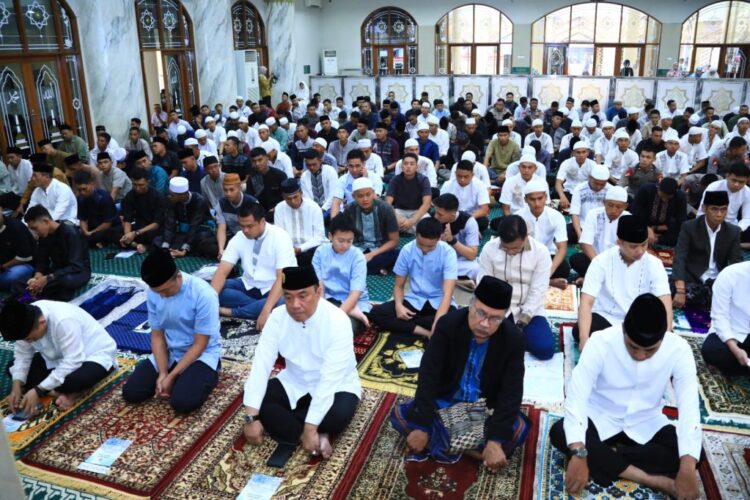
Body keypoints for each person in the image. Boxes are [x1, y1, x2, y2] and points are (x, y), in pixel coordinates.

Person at [551, 294, 702, 499]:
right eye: (633, 347)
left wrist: (687, 467)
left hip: (646, 421)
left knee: (692, 453)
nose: (640, 356)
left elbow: (690, 408)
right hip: (600, 415)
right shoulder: (601, 342)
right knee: (560, 431)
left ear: (663, 338)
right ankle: (649, 478)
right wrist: (578, 451)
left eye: (649, 351)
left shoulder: (679, 350)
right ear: (623, 329)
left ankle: (605, 458)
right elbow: (576, 398)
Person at [390, 276, 530, 467]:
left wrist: (495, 439)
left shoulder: (513, 339)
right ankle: (471, 449)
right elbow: (428, 376)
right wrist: (422, 425)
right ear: (471, 305)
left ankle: (445, 441)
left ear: (504, 316)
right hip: (444, 404)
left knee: (516, 431)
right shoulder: (448, 325)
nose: (485, 324)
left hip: (483, 410)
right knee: (399, 414)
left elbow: (511, 391)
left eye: (495, 318)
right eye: (480, 313)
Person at [241, 265, 360, 462]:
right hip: (294, 381)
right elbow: (261, 365)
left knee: (338, 416)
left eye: (303, 296)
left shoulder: (338, 321)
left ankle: (301, 428)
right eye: (288, 297)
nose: (295, 304)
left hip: (337, 386)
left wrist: (311, 426)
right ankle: (313, 435)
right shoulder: (278, 318)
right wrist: (251, 418)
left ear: (318, 292)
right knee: (253, 400)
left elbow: (330, 379)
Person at [122, 250, 222, 413]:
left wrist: (171, 376)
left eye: (166, 291)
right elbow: (157, 335)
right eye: (158, 291)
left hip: (201, 355)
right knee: (132, 393)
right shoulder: (155, 293)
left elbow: (200, 344)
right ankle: (179, 377)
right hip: (171, 352)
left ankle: (204, 375)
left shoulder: (203, 294)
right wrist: (162, 373)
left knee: (182, 403)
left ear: (178, 277)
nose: (162, 295)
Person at [1, 298, 117, 416]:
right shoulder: (25, 319)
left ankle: (67, 391)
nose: (29, 342)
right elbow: (23, 355)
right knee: (12, 368)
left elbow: (73, 361)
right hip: (55, 358)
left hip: (91, 355)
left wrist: (38, 390)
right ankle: (62, 393)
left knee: (75, 381)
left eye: (31, 338)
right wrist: (16, 386)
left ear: (42, 322)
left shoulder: (64, 320)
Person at [574, 215, 671, 348]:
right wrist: (583, 339)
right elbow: (587, 301)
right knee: (580, 330)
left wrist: (667, 337)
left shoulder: (655, 264)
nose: (640, 251)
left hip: (638, 319)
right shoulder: (601, 261)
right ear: (619, 242)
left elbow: (665, 300)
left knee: (657, 333)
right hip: (606, 317)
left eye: (644, 245)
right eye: (634, 246)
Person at [477, 216, 555, 360]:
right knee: (481, 342)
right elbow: (484, 284)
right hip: (497, 309)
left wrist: (523, 321)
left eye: (515, 248)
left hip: (529, 311)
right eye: (506, 248)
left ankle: (508, 339)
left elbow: (538, 290)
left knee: (545, 350)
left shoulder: (541, 252)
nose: (511, 252)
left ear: (526, 236)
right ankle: (508, 339)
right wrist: (493, 315)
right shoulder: (489, 248)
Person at [369, 218, 456, 338]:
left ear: (439, 238)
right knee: (377, 314)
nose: (425, 249)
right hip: (415, 299)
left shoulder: (448, 253)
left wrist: (437, 323)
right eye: (420, 245)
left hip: (439, 302)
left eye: (430, 247)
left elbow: (447, 294)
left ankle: (411, 325)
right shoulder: (407, 250)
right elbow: (398, 286)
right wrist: (399, 306)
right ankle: (425, 332)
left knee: (453, 321)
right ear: (415, 234)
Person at [211, 203, 296, 326]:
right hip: (247, 285)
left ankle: (232, 312)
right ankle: (256, 307)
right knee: (213, 290)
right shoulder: (239, 237)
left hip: (274, 288)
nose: (245, 230)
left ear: (262, 221)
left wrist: (266, 310)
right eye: (242, 226)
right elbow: (222, 272)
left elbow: (281, 279)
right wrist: (210, 303)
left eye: (250, 226)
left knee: (284, 301)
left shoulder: (280, 237)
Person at [672, 190, 741, 310]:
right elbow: (679, 257)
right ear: (704, 209)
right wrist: (680, 290)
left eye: (723, 209)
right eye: (714, 209)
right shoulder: (690, 227)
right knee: (672, 291)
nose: (719, 214)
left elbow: (736, 263)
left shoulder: (733, 231)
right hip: (692, 277)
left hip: (717, 280)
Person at [312, 214, 371, 330]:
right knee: (311, 323)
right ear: (330, 236)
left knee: (343, 329)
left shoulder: (357, 256)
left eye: (350, 241)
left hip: (353, 302)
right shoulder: (321, 252)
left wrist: (337, 316)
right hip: (328, 300)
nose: (345, 245)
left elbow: (355, 293)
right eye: (341, 241)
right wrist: (322, 310)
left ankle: (354, 313)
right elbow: (319, 286)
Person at [21, 205, 90, 301]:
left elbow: (76, 266)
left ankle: (37, 296)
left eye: (35, 228)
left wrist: (48, 278)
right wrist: (38, 275)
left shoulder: (71, 233)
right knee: (21, 282)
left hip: (77, 272)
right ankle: (39, 295)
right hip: (56, 271)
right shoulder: (44, 236)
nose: (35, 232)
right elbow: (42, 260)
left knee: (66, 282)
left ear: (45, 221)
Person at [518, 178, 570, 289]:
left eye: (540, 198)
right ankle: (550, 282)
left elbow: (562, 248)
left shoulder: (556, 217)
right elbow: (521, 246)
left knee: (563, 268)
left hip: (547, 254)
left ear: (546, 197)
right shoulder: (519, 217)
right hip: (525, 255)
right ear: (525, 200)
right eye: (532, 199)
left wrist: (548, 273)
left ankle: (539, 280)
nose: (537, 203)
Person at [569, 186, 629, 280]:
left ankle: (594, 278)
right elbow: (586, 243)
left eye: (618, 207)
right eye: (610, 205)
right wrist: (598, 264)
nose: (613, 210)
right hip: (595, 258)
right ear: (604, 202)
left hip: (618, 262)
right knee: (576, 259)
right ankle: (605, 278)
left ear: (625, 206)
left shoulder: (629, 219)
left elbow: (629, 249)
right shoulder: (594, 214)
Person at [701, 262, 750, 376]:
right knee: (712, 351)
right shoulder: (730, 274)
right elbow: (720, 316)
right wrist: (735, 349)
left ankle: (739, 368)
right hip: (731, 332)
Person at [344, 177, 400, 275]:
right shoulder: (349, 209)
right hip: (358, 249)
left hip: (379, 250)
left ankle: (360, 268)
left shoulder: (386, 209)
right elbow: (345, 236)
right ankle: (378, 269)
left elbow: (394, 241)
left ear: (373, 193)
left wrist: (372, 254)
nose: (365, 199)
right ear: (353, 196)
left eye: (368, 195)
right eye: (360, 196)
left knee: (398, 254)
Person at [274, 178, 326, 266]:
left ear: (301, 193)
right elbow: (279, 235)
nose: (293, 201)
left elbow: (319, 237)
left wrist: (300, 248)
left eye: (295, 197)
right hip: (288, 249)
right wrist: (290, 250)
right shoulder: (279, 208)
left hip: (310, 247)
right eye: (289, 199)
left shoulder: (313, 207)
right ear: (283, 197)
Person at [697, 163, 750, 248]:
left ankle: (736, 244)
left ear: (747, 180)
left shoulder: (747, 192)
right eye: (734, 180)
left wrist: (737, 230)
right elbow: (702, 212)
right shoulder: (714, 187)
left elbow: (747, 218)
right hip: (711, 224)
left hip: (732, 227)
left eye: (741, 182)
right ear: (727, 176)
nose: (737, 184)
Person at [431, 193, 480, 281]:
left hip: (460, 260)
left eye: (440, 214)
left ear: (452, 215)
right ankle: (457, 281)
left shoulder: (469, 222)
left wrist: (452, 240)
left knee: (476, 269)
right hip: (439, 260)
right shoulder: (433, 218)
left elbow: (472, 255)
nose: (436, 216)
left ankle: (444, 277)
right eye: (436, 212)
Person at [119, 169, 166, 254]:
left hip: (152, 229)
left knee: (158, 238)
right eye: (135, 184)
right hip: (138, 227)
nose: (137, 188)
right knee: (115, 231)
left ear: (148, 182)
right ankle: (136, 245)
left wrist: (135, 233)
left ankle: (143, 246)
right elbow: (127, 219)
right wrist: (127, 235)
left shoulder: (158, 197)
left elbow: (157, 223)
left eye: (141, 185)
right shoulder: (130, 196)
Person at [631, 178, 687, 247]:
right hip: (644, 226)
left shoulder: (680, 197)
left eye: (668, 198)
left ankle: (656, 240)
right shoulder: (645, 190)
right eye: (662, 196)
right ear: (658, 188)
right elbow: (636, 213)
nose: (664, 200)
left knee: (682, 235)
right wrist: (647, 229)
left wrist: (655, 230)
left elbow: (680, 221)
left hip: (666, 232)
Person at [385, 153, 432, 235]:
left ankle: (404, 229)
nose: (408, 166)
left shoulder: (423, 180)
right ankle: (409, 229)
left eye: (412, 164)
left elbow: (426, 204)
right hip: (399, 211)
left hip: (417, 211)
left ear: (416, 167)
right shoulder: (395, 180)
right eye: (406, 164)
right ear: (401, 167)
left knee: (427, 223)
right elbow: (388, 203)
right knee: (385, 220)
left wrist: (411, 221)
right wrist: (397, 218)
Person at [74, 170, 122, 248]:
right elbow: (82, 219)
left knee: (111, 234)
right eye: (79, 190)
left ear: (91, 183)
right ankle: (98, 242)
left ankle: (101, 242)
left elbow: (107, 223)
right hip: (92, 228)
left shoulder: (104, 197)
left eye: (84, 189)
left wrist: (91, 232)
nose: (82, 192)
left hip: (109, 228)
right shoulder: (80, 198)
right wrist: (85, 231)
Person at [440, 159, 490, 233]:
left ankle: (461, 230)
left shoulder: (480, 185)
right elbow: (441, 206)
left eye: (466, 176)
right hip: (452, 216)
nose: (462, 179)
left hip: (472, 216)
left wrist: (468, 219)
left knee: (483, 221)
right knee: (437, 218)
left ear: (472, 175)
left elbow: (485, 209)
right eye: (459, 176)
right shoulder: (447, 185)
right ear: (455, 173)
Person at [568, 164, 611, 244]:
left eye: (602, 184)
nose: (598, 187)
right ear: (590, 178)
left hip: (602, 226)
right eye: (596, 183)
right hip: (582, 225)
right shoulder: (579, 189)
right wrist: (580, 235)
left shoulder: (610, 190)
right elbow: (575, 214)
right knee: (567, 234)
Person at [26, 161, 78, 225]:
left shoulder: (62, 188)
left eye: (35, 176)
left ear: (46, 177)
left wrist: (40, 225)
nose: (32, 179)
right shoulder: (37, 191)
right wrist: (24, 225)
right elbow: (30, 210)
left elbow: (58, 213)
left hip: (66, 221)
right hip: (46, 222)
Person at [248, 146, 287, 222]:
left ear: (266, 158)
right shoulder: (252, 178)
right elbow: (251, 199)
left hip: (279, 212)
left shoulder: (280, 175)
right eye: (254, 161)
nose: (257, 163)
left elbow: (286, 197)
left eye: (260, 160)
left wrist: (277, 208)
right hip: (260, 215)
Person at [556, 141, 597, 211]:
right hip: (569, 192)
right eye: (578, 152)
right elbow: (558, 183)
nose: (581, 155)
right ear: (573, 153)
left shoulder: (593, 164)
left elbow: (596, 183)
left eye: (584, 152)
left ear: (588, 153)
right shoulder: (566, 163)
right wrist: (562, 196)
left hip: (586, 193)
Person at [0, 210, 35, 291]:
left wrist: (2, 267)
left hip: (23, 264)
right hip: (3, 264)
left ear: (1, 210)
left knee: (11, 277)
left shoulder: (16, 226)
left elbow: (24, 257)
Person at [300, 150, 338, 216]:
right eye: (308, 165)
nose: (311, 167)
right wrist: (315, 210)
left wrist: (322, 209)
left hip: (330, 207)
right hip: (313, 210)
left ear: (320, 161)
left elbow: (333, 195)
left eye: (314, 164)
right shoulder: (304, 176)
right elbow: (306, 198)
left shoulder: (330, 171)